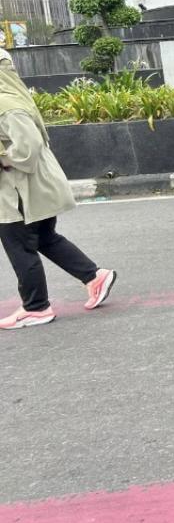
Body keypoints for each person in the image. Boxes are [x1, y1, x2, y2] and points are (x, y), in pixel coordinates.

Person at [0, 49, 116, 330]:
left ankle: (36, 307)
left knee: (19, 246)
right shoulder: (15, 96)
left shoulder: (5, 103)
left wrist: (3, 158)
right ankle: (94, 276)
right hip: (36, 188)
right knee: (44, 238)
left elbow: (26, 149)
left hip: (21, 192)